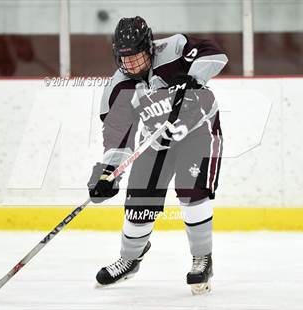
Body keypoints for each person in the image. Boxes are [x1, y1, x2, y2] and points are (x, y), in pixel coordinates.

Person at [87, 16, 227, 295]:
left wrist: (192, 76)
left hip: (198, 133)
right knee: (140, 200)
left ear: (149, 48)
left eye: (137, 57)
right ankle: (130, 260)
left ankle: (202, 258)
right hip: (157, 143)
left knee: (191, 193)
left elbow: (217, 55)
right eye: (124, 60)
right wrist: (107, 174)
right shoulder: (117, 89)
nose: (132, 66)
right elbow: (118, 138)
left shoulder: (174, 48)